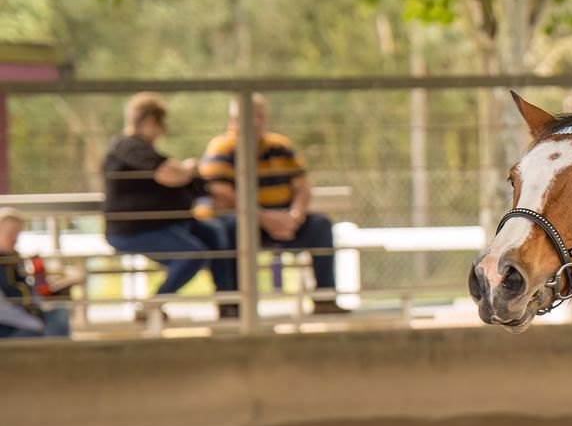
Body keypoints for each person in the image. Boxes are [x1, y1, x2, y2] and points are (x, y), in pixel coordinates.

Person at [199, 95, 348, 315]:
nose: (255, 122)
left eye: (259, 116)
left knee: (320, 225)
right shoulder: (222, 148)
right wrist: (263, 218)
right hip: (247, 222)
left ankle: (325, 299)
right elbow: (220, 192)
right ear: (233, 120)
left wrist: (295, 215)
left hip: (285, 220)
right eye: (248, 117)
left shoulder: (280, 146)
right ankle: (232, 304)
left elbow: (303, 185)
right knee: (229, 228)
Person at [101, 93, 235, 321]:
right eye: (160, 123)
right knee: (193, 255)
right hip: (134, 230)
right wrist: (189, 169)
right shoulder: (129, 147)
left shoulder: (145, 150)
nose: (162, 130)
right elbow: (170, 174)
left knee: (216, 233)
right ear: (149, 121)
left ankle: (229, 303)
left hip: (170, 224)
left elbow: (186, 181)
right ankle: (153, 305)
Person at [0, 207, 72, 339]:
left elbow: (29, 291)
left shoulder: (13, 259)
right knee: (46, 330)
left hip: (28, 315)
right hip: (8, 326)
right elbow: (3, 310)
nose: (15, 240)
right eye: (10, 234)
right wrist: (34, 323)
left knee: (61, 312)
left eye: (17, 234)